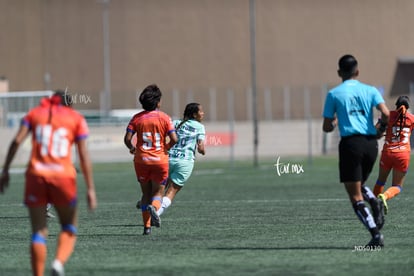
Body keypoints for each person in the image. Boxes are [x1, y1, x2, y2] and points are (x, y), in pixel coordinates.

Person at [0, 91, 97, 276]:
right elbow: (84, 155)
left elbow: (16, 141)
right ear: (68, 104)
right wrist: (90, 188)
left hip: (36, 176)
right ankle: (58, 263)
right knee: (69, 226)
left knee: (38, 231)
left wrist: (5, 171)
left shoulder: (34, 114)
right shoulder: (76, 118)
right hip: (64, 176)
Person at [322, 54, 390, 247]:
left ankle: (375, 235)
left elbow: (326, 127)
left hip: (351, 145)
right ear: (357, 72)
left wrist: (335, 121)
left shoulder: (334, 94)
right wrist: (380, 131)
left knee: (354, 195)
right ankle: (374, 202)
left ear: (339, 72)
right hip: (370, 145)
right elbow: (385, 114)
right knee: (359, 184)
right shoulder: (370, 90)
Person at [124, 84, 178, 235]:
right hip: (160, 160)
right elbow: (174, 138)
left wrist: (132, 149)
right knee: (159, 192)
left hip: (141, 160)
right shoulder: (165, 118)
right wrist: (166, 148)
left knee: (145, 194)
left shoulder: (136, 118)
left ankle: (146, 227)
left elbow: (127, 139)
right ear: (158, 102)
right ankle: (155, 208)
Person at [157, 103, 206, 217]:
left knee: (160, 188)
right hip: (184, 161)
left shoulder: (176, 122)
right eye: (201, 111)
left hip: (169, 158)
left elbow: (163, 136)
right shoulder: (199, 127)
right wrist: (203, 151)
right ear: (194, 114)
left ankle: (149, 202)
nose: (203, 113)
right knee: (172, 191)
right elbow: (201, 148)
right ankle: (157, 212)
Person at [373, 95, 414, 214]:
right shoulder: (411, 118)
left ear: (396, 105)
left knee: (380, 181)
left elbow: (376, 130)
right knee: (397, 186)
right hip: (402, 155)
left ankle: (374, 206)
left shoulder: (388, 115)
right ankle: (385, 196)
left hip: (387, 152)